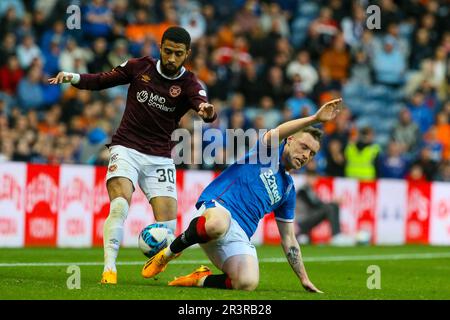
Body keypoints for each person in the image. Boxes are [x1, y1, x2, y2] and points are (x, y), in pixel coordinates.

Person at [48, 26, 217, 284]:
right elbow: (102, 80)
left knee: (168, 229)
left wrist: (207, 112)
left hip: (159, 156)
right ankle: (109, 269)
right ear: (160, 47)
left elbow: (201, 104)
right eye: (168, 51)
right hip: (126, 147)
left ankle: (160, 259)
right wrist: (71, 76)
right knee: (119, 205)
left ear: (187, 54)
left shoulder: (190, 83)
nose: (172, 58)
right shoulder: (140, 67)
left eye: (178, 54)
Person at [141, 98, 344, 292]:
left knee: (247, 282)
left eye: (312, 153)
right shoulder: (267, 152)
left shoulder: (288, 189)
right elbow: (277, 131)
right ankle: (166, 255)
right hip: (218, 209)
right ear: (290, 140)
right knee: (218, 224)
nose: (306, 155)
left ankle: (198, 279)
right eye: (304, 147)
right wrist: (315, 119)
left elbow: (289, 239)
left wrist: (304, 278)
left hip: (238, 235)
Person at [295, 169, 353, 246]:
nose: (312, 180)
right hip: (303, 221)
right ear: (306, 178)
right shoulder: (303, 190)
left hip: (307, 219)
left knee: (332, 207)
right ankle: (336, 235)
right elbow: (314, 205)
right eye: (310, 177)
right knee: (330, 208)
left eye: (314, 177)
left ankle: (303, 235)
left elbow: (317, 205)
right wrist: (333, 202)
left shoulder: (310, 190)